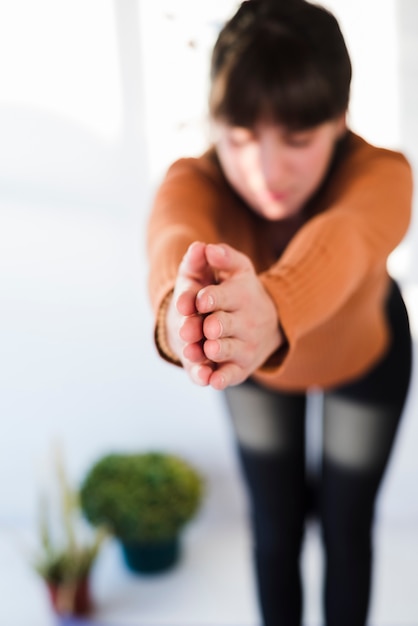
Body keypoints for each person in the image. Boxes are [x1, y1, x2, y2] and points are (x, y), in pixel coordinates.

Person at [146, 1, 413, 624]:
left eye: (296, 139)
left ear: (340, 119)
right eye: (239, 137)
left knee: (347, 529)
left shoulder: (382, 172)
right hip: (258, 371)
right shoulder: (195, 180)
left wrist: (275, 302)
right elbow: (171, 235)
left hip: (367, 351)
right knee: (275, 527)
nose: (266, 170)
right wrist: (175, 315)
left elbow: (347, 236)